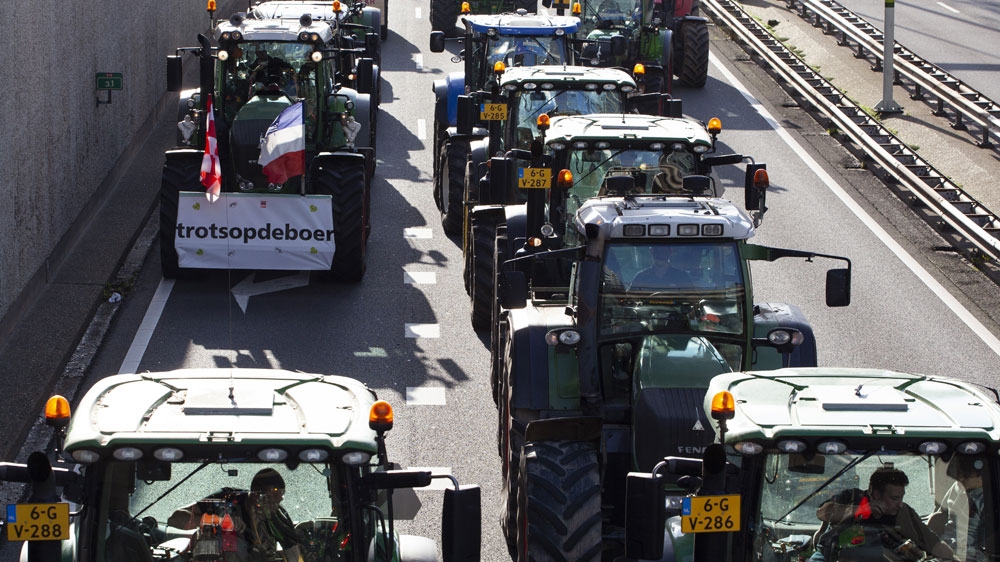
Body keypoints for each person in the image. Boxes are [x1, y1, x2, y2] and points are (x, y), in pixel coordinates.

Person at [814, 467, 957, 562]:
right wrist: (861, 509)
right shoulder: (850, 497)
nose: (900, 503)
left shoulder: (903, 512)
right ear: (876, 494)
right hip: (829, 557)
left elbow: (933, 543)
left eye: (901, 497)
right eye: (895, 498)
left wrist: (954, 558)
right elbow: (822, 513)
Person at [929, 456, 986, 562]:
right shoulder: (956, 487)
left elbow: (988, 544)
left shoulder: (988, 500)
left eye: (966, 477)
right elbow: (941, 514)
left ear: (981, 478)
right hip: (945, 549)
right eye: (960, 474)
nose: (960, 479)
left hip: (969, 555)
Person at [629, 245, 700, 290]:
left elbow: (693, 300)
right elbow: (629, 299)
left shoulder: (682, 276)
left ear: (670, 253)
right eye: (657, 251)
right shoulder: (641, 277)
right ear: (651, 252)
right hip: (645, 310)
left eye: (663, 252)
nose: (660, 255)